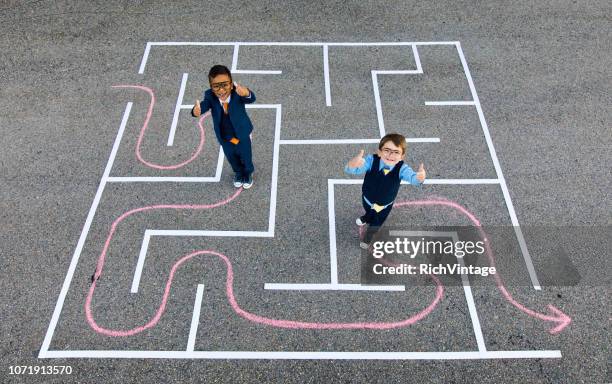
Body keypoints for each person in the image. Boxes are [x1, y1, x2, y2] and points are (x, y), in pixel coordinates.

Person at [345, 133, 426, 249]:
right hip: (367, 199)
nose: (390, 155)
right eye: (387, 150)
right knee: (369, 211)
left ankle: (368, 238)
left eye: (396, 152)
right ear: (379, 151)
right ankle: (367, 217)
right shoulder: (371, 160)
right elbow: (353, 169)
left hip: (384, 206)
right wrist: (353, 163)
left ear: (402, 156)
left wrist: (420, 178)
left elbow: (414, 179)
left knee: (376, 223)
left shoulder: (402, 169)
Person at [192, 65, 256, 188]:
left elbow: (251, 98)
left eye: (225, 85)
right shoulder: (210, 96)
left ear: (231, 84)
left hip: (241, 134)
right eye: (216, 86)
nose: (221, 90)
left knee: (246, 156)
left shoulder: (238, 94)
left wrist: (246, 93)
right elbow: (204, 106)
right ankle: (238, 173)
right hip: (225, 137)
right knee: (231, 157)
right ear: (211, 87)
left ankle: (247, 174)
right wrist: (196, 111)